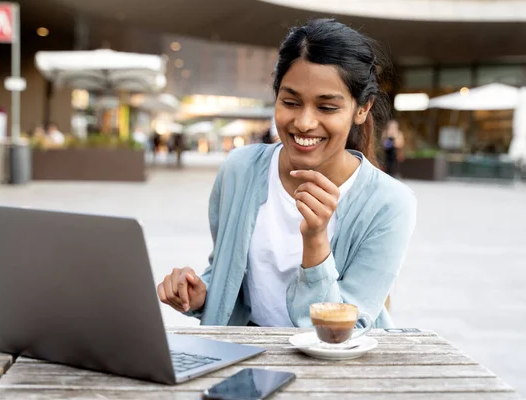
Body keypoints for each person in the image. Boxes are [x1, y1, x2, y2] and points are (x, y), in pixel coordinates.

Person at [157, 19, 416, 328]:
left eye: (327, 107)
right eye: (291, 102)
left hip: (336, 372)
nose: (304, 122)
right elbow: (229, 273)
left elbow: (344, 331)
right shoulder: (239, 170)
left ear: (362, 109)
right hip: (246, 358)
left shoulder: (389, 203)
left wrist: (316, 241)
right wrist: (201, 293)